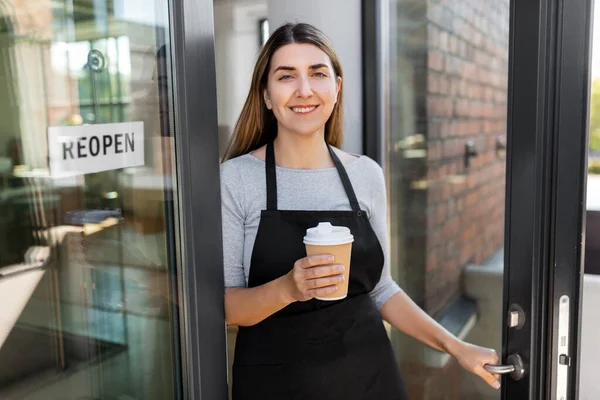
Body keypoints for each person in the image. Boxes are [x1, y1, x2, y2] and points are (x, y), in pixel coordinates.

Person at [220, 22, 500, 400]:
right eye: (286, 77)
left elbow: (382, 289)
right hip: (276, 384)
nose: (304, 90)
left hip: (369, 378)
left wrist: (457, 347)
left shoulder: (365, 174)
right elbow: (227, 306)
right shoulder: (236, 179)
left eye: (318, 74)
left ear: (336, 87)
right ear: (267, 96)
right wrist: (288, 288)